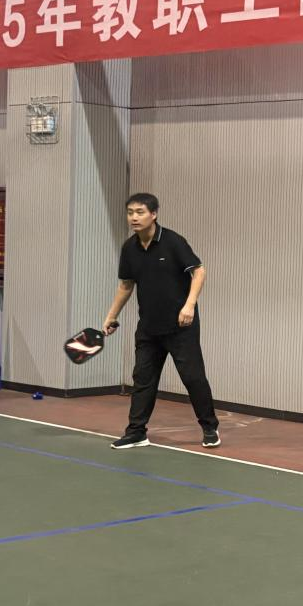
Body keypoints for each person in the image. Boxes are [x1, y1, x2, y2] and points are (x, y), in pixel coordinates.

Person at [102, 192, 219, 450]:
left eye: (140, 212)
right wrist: (112, 315)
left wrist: (189, 305)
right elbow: (126, 285)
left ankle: (210, 427)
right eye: (130, 212)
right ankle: (136, 432)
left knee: (193, 378)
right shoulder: (129, 248)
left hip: (181, 326)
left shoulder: (173, 242)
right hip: (148, 327)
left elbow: (199, 271)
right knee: (142, 380)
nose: (134, 217)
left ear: (153, 214)